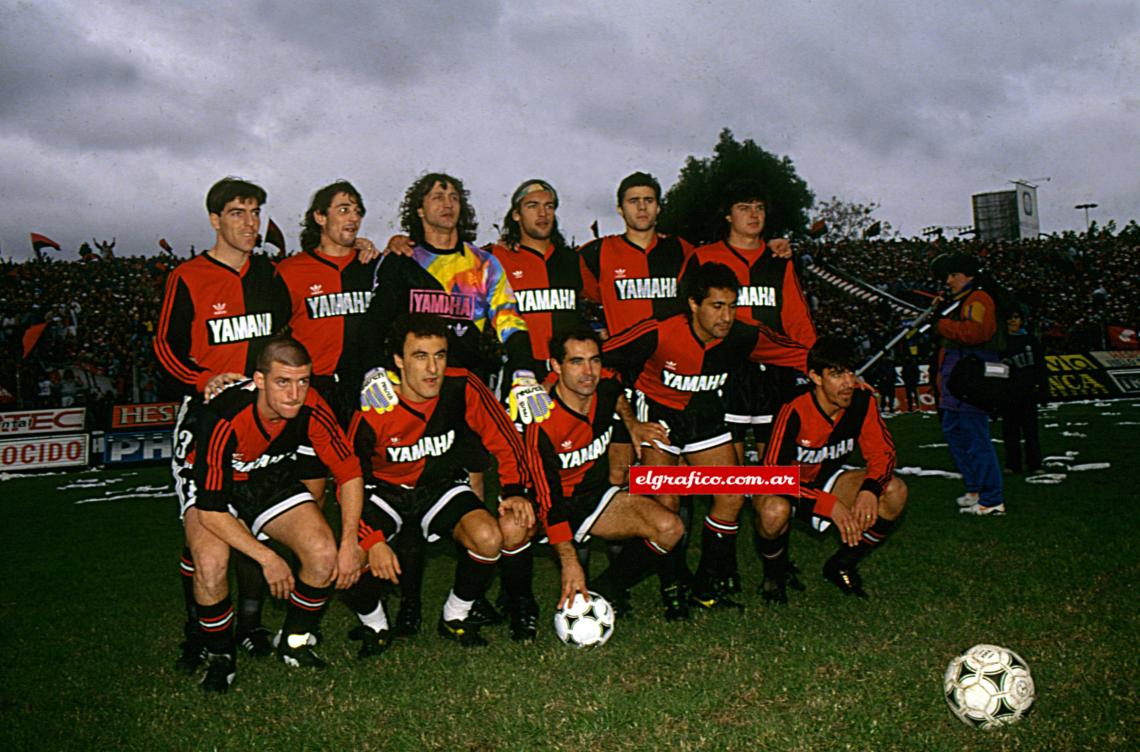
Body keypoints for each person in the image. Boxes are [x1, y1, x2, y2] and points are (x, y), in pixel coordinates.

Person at [361, 172, 548, 635]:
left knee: (471, 501)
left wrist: (524, 369)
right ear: (418, 211)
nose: (446, 203)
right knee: (408, 496)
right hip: (412, 397)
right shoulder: (402, 258)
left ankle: (482, 597)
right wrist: (371, 369)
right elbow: (373, 324)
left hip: (467, 396)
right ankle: (408, 604)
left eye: (453, 196)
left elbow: (510, 321)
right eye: (435, 196)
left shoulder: (483, 264)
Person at [602, 262, 808, 611]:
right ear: (694, 305)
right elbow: (601, 362)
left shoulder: (744, 334)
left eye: (732, 305)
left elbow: (799, 354)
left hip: (707, 420)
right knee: (665, 506)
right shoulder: (658, 332)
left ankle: (706, 584)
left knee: (729, 497)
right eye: (717, 306)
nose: (726, 317)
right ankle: (667, 589)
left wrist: (843, 374)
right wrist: (632, 422)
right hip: (660, 420)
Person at [153, 177, 289, 674]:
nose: (250, 223)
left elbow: (286, 338)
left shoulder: (271, 276)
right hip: (207, 422)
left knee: (256, 527)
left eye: (255, 212)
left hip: (262, 422)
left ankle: (251, 625)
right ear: (215, 220)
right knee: (204, 541)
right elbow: (165, 349)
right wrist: (203, 379)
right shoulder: (187, 276)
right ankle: (200, 631)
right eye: (237, 213)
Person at [346, 314, 536, 648]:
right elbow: (350, 481)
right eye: (420, 356)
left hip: (438, 487)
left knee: (489, 536)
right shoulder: (373, 403)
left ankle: (456, 615)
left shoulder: (462, 384)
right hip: (384, 492)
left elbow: (504, 438)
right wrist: (371, 538)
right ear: (398, 361)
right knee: (347, 558)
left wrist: (515, 489)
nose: (433, 368)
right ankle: (375, 625)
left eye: (440, 355)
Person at [190, 337, 365, 691]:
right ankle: (221, 655)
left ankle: (295, 640)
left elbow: (349, 471)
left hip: (266, 473)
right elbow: (210, 511)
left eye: (303, 381)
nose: (294, 394)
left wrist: (351, 542)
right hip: (211, 480)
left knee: (323, 554)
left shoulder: (312, 406)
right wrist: (267, 557)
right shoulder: (224, 416)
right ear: (259, 380)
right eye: (283, 382)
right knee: (211, 564)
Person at [523, 328, 685, 618]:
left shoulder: (604, 389)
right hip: (544, 505)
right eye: (576, 362)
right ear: (556, 366)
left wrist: (633, 423)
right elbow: (549, 499)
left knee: (670, 528)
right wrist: (569, 560)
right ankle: (519, 605)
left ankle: (606, 590)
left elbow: (617, 393)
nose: (588, 371)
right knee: (511, 530)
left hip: (591, 498)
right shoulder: (541, 417)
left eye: (594, 360)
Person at [754, 336, 908, 601]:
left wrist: (870, 490)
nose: (848, 382)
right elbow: (773, 474)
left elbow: (882, 453)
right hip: (786, 486)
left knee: (894, 490)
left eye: (851, 372)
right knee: (772, 512)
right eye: (837, 374)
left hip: (827, 480)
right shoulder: (794, 408)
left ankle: (841, 565)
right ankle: (774, 574)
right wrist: (827, 505)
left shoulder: (862, 402)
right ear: (815, 376)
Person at [682, 179, 816, 458]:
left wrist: (816, 363)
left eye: (759, 208)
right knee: (730, 472)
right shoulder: (704, 257)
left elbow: (796, 318)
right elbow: (685, 315)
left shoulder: (779, 260)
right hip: (723, 371)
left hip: (774, 371)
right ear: (729, 215)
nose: (754, 215)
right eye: (744, 208)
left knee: (775, 469)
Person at [932, 252, 1006, 516]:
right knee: (955, 432)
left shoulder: (979, 299)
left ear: (970, 276)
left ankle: (992, 498)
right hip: (955, 377)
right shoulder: (958, 301)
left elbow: (977, 332)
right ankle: (975, 487)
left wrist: (942, 325)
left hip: (971, 378)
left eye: (954, 275)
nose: (949, 281)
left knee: (975, 437)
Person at [490, 179, 585, 375]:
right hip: (520, 370)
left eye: (548, 206)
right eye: (532, 206)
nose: (543, 214)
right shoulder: (496, 258)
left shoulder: (573, 260)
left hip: (569, 374)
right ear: (516, 214)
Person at [1000, 307, 1045, 475]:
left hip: (1028, 392)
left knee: (1031, 431)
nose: (1013, 321)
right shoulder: (1000, 342)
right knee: (1010, 432)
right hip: (1008, 393)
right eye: (1009, 318)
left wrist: (1041, 387)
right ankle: (1013, 465)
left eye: (1016, 317)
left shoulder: (1030, 340)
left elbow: (1040, 365)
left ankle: (1035, 464)